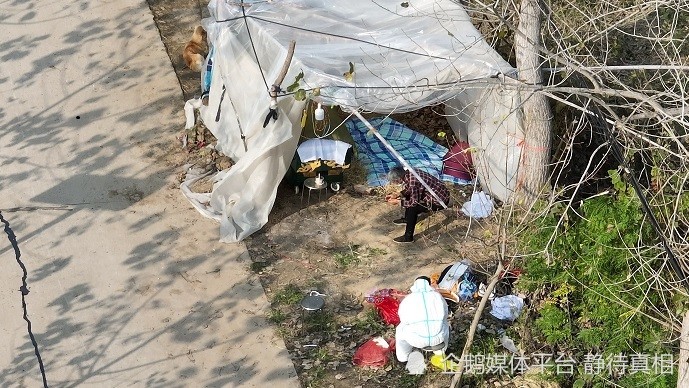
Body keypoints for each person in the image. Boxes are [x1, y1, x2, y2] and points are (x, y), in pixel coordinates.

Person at [386, 166, 450, 243]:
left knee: (413, 208)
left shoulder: (414, 181)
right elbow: (410, 190)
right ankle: (408, 219)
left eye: (394, 181)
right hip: (439, 195)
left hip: (439, 202)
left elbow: (413, 202)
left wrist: (398, 202)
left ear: (399, 178)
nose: (394, 183)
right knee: (409, 198)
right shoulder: (410, 173)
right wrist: (398, 194)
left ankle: (408, 237)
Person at [395, 276, 450, 363]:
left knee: (400, 329)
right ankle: (440, 352)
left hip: (417, 340)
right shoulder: (437, 296)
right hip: (438, 338)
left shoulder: (407, 299)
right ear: (429, 284)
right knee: (444, 324)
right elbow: (445, 314)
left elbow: (403, 319)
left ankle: (403, 358)